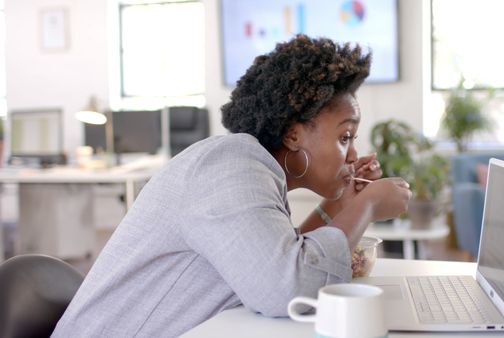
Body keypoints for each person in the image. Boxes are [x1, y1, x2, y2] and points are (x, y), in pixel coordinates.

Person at [52, 35, 411, 337]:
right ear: (293, 133)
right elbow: (285, 287)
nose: (354, 154)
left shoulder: (248, 167)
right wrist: (366, 207)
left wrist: (342, 206)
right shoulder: (230, 165)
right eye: (345, 136)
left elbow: (277, 260)